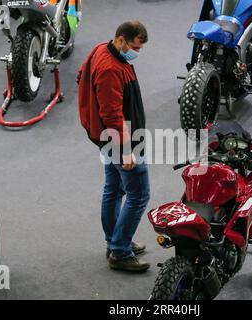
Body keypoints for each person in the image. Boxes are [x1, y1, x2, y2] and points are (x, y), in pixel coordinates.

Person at [78, 21, 151, 272]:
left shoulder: (101, 49)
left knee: (114, 189)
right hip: (121, 141)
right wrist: (126, 150)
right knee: (139, 194)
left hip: (105, 139)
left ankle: (115, 240)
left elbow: (81, 75)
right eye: (134, 47)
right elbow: (111, 114)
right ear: (120, 40)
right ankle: (120, 251)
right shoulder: (111, 69)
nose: (136, 53)